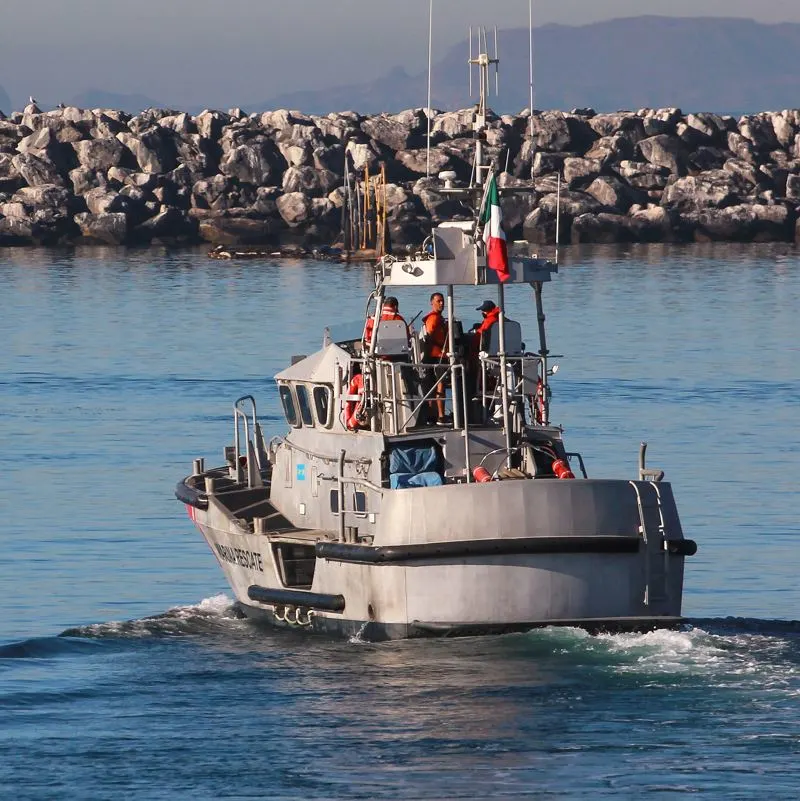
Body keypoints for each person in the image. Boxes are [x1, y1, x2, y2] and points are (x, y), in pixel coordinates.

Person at [420, 292, 448, 424]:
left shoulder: (439, 318)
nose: (441, 303)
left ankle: (432, 416)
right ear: (432, 303)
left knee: (432, 386)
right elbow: (429, 335)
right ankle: (441, 416)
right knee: (439, 386)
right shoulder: (434, 318)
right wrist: (441, 348)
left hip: (435, 356)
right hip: (437, 357)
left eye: (442, 301)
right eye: (438, 301)